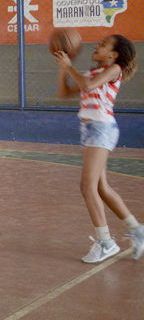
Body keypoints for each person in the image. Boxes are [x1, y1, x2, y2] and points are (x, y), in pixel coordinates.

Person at [54, 33, 144, 263]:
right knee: (101, 187)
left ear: (113, 55)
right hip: (90, 130)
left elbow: (88, 85)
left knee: (87, 187)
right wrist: (64, 69)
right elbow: (64, 93)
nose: (97, 45)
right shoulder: (90, 72)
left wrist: (70, 66)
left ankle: (106, 242)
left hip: (101, 128)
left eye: (103, 45)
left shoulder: (114, 70)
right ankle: (137, 229)